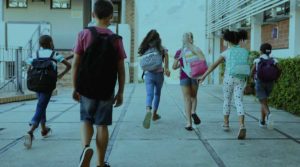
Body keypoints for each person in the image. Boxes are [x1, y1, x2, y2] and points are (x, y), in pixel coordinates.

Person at [72, 0, 126, 167]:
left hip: (86, 87)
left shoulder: (83, 34)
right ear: (111, 17)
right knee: (102, 124)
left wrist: (75, 87)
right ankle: (100, 163)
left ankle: (86, 148)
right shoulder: (116, 39)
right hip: (106, 88)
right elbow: (121, 69)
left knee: (86, 119)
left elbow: (76, 63)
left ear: (93, 15)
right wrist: (120, 92)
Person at [199, 29, 249, 139]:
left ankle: (226, 123)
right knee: (239, 101)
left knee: (227, 100)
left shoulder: (226, 52)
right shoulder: (245, 51)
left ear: (228, 41)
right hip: (241, 79)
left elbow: (213, 66)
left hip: (229, 79)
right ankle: (242, 125)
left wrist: (203, 76)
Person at [24, 35, 71, 149]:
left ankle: (44, 129)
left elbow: (28, 66)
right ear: (50, 42)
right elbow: (68, 65)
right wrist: (60, 75)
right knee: (41, 105)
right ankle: (31, 131)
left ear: (40, 44)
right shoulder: (54, 54)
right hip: (47, 84)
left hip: (36, 83)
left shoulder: (35, 54)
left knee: (41, 104)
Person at [138, 29, 170, 129]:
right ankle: (154, 114)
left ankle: (148, 110)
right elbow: (167, 55)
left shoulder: (144, 48)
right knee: (157, 94)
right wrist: (167, 68)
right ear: (158, 39)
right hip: (159, 74)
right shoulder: (161, 48)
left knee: (149, 94)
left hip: (148, 74)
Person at [172, 32, 204, 131]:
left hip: (184, 76)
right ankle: (193, 112)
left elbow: (173, 67)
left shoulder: (179, 52)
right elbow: (202, 62)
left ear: (183, 40)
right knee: (193, 97)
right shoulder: (197, 50)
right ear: (192, 40)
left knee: (186, 99)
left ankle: (189, 123)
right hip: (195, 76)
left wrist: (180, 62)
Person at [251, 43, 278, 128]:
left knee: (262, 101)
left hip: (260, 82)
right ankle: (262, 122)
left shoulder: (257, 60)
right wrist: (276, 78)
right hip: (270, 82)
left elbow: (252, 71)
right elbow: (280, 69)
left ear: (261, 51)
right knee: (264, 102)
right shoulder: (274, 60)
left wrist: (251, 79)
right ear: (270, 51)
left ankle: (268, 115)